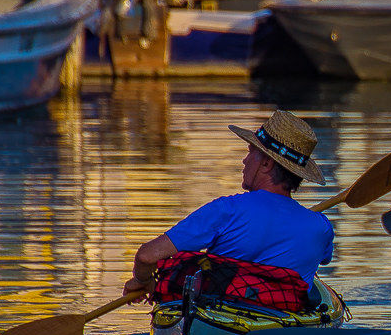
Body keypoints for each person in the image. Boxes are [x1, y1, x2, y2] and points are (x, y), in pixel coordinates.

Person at [122, 109, 334, 304]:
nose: (244, 160)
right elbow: (323, 259)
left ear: (266, 164)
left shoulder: (226, 210)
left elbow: (146, 256)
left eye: (251, 152)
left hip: (220, 317)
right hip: (285, 317)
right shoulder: (322, 228)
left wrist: (143, 281)